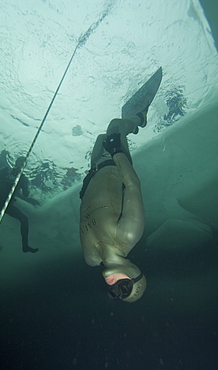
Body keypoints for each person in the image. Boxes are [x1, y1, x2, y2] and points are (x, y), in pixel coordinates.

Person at [79, 66, 162, 302]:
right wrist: (116, 151)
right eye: (124, 289)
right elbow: (133, 186)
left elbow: (86, 213)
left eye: (115, 295)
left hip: (95, 170)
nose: (114, 288)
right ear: (135, 275)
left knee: (98, 139)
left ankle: (130, 123)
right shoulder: (128, 234)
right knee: (116, 126)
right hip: (115, 165)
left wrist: (87, 187)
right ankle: (138, 119)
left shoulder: (90, 257)